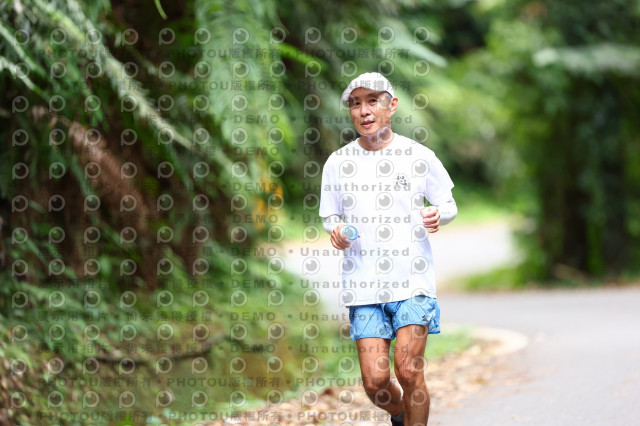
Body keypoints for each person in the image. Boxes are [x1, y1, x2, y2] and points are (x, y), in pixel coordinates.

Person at [319, 72, 457, 425]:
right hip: (363, 285)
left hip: (413, 281)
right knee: (375, 382)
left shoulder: (418, 155)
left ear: (391, 105)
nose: (364, 110)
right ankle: (400, 415)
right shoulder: (338, 162)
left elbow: (448, 204)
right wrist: (336, 230)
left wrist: (438, 214)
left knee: (408, 371)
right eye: (356, 103)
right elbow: (330, 216)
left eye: (373, 101)